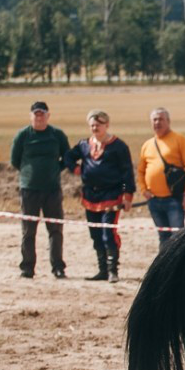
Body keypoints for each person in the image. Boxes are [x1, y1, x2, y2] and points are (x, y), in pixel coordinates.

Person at [64, 110, 135, 282]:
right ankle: (102, 270)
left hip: (111, 196)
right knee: (95, 234)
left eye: (99, 124)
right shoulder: (84, 145)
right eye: (92, 125)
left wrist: (127, 195)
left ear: (106, 125)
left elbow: (127, 173)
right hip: (90, 196)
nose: (95, 128)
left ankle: (113, 271)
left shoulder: (118, 146)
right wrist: (75, 168)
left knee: (107, 234)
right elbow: (68, 156)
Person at [10, 100, 70, 278]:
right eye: (36, 115)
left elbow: (66, 157)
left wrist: (53, 170)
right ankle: (27, 267)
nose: (39, 118)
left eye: (42, 114)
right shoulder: (23, 135)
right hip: (29, 190)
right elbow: (15, 159)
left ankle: (58, 267)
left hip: (52, 189)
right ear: (31, 117)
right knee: (28, 231)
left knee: (55, 229)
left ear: (48, 116)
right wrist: (30, 173)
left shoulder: (57, 135)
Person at [136, 107, 185, 251]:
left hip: (174, 199)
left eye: (161, 119)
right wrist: (144, 189)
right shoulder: (147, 145)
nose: (157, 122)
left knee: (178, 237)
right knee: (163, 236)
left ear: (168, 121)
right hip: (154, 200)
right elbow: (141, 170)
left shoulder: (180, 140)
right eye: (154, 120)